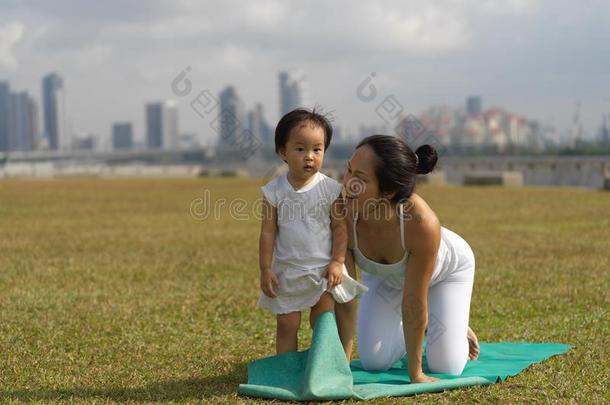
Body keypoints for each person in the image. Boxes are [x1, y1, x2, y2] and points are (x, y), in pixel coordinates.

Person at [342, 135, 480, 383]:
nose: (348, 184)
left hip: (446, 273)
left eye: (360, 179)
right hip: (386, 279)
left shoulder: (421, 223)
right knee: (374, 361)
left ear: (389, 191)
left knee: (446, 365)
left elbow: (413, 302)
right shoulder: (342, 212)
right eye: (348, 171)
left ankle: (452, 328)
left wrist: (415, 374)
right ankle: (434, 325)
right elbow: (346, 295)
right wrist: (340, 365)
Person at [258, 108, 368, 356]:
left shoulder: (330, 189)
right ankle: (286, 370)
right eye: (300, 149)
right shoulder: (273, 191)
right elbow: (267, 233)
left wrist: (337, 262)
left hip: (322, 272)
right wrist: (265, 269)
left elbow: (340, 228)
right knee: (287, 324)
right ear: (282, 152)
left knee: (322, 321)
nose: (309, 156)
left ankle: (323, 367)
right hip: (287, 271)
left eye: (317, 149)